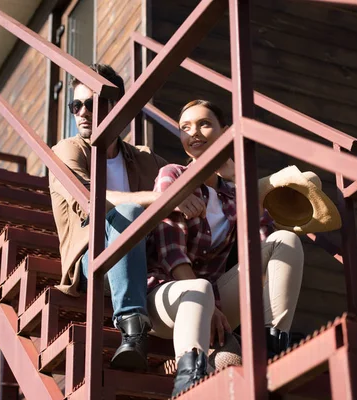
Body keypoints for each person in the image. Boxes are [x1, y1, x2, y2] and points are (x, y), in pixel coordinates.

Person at [146, 100, 304, 396]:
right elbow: (171, 252)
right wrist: (212, 307)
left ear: (225, 132)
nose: (194, 132)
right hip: (167, 298)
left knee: (286, 241)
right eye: (185, 127)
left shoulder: (231, 192)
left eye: (205, 124)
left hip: (214, 297)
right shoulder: (173, 174)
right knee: (200, 289)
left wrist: (235, 178)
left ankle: (270, 344)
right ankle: (188, 384)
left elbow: (262, 236)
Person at [49, 64, 172, 371]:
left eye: (90, 103)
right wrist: (160, 198)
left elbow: (187, 180)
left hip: (146, 258)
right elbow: (97, 201)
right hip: (94, 259)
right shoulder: (67, 151)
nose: (81, 112)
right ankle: (133, 327)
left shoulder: (142, 157)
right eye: (75, 105)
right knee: (128, 211)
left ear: (116, 106)